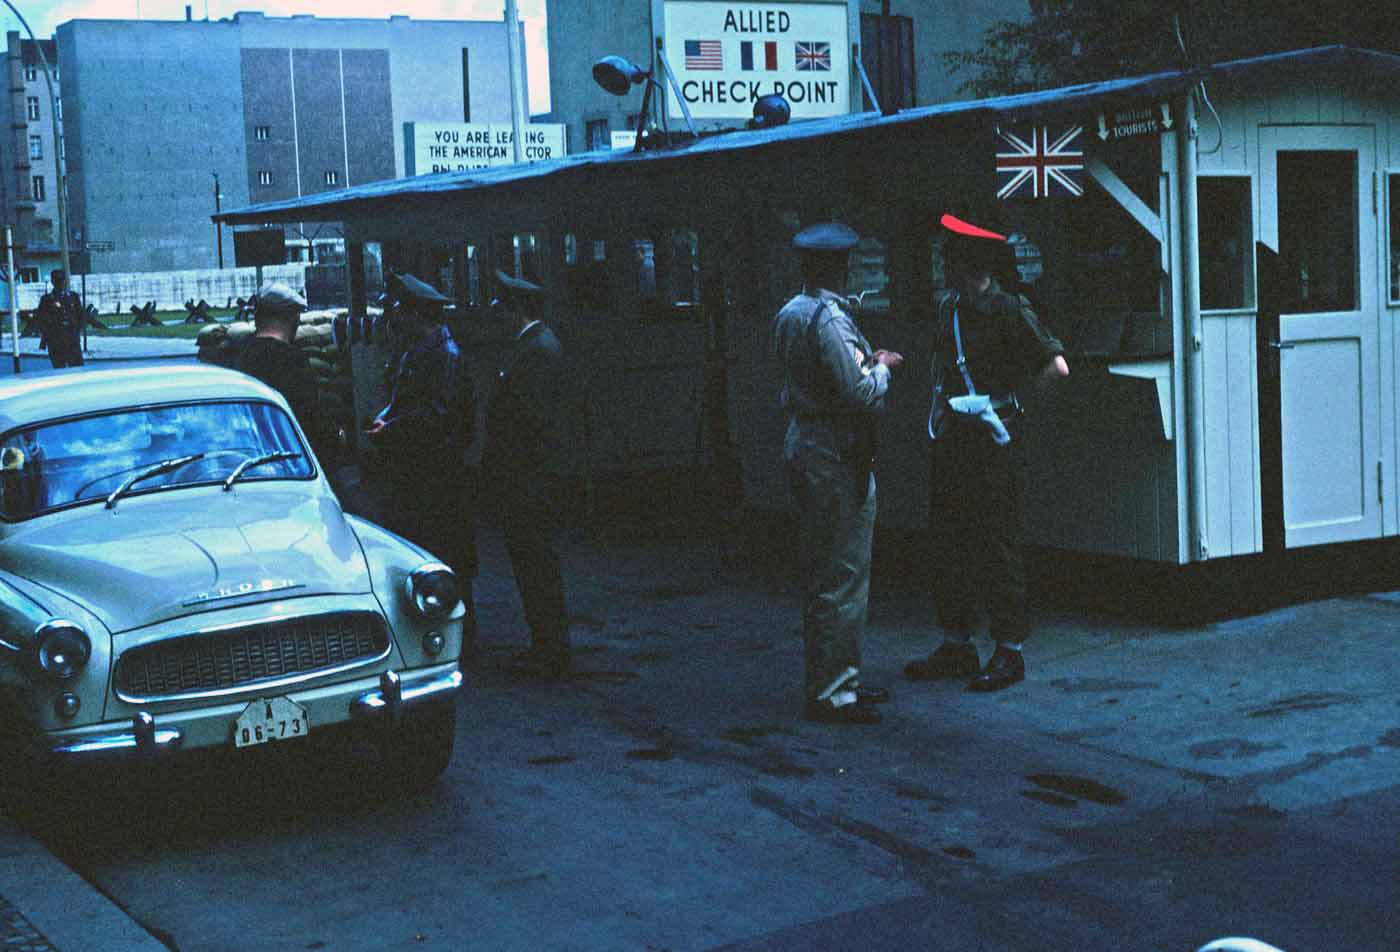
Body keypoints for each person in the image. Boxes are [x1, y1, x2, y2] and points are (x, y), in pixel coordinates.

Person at [905, 213, 1068, 693]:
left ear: (971, 263)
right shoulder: (950, 310)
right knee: (949, 540)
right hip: (956, 434)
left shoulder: (1009, 310)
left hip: (994, 438)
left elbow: (1055, 368)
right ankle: (957, 643)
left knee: (998, 543)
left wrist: (1009, 405)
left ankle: (1009, 651)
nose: (946, 266)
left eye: (953, 258)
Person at [771, 222, 903, 725]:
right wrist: (883, 366)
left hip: (804, 443)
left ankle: (830, 679)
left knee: (820, 571)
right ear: (838, 267)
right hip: (835, 452)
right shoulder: (829, 318)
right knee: (844, 574)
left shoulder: (790, 312)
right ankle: (835, 691)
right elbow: (859, 392)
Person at [365, 273, 477, 656]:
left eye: (400, 311)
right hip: (415, 473)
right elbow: (401, 400)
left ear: (417, 314)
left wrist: (391, 429)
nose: (394, 317)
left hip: (438, 476)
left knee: (446, 555)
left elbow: (438, 414)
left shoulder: (446, 356)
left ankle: (462, 639)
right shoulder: (417, 352)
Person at [483, 270, 570, 681]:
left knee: (537, 564)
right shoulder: (532, 346)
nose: (497, 319)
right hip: (526, 475)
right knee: (532, 563)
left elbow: (531, 420)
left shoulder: (537, 351)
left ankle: (551, 649)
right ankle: (545, 644)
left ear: (517, 311)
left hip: (528, 476)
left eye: (503, 311)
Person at [234, 282, 329, 455]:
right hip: (286, 451)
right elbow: (310, 417)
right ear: (292, 319)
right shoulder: (293, 359)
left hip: (247, 448)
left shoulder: (239, 353)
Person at [36, 270, 85, 369]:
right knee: (59, 372)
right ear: (53, 282)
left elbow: (80, 316)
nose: (60, 283)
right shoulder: (47, 299)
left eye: (62, 280)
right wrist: (48, 337)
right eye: (57, 281)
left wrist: (78, 331)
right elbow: (41, 320)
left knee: (78, 371)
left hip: (72, 341)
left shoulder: (73, 297)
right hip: (56, 343)